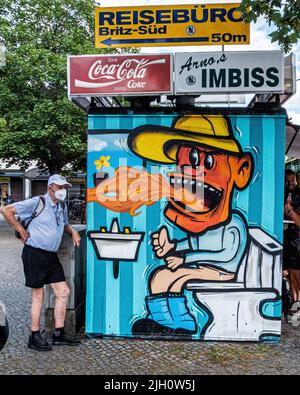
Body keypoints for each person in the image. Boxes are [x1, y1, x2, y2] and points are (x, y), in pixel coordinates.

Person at [0, 174, 81, 351]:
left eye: (65, 188)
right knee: (39, 295)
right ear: (51, 187)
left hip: (51, 256)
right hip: (34, 253)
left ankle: (59, 334)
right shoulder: (38, 202)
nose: (63, 191)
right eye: (60, 187)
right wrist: (21, 230)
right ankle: (34, 336)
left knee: (63, 292)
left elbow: (65, 224)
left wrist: (73, 232)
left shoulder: (62, 206)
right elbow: (6, 210)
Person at [283, 169, 300, 305]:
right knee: (289, 273)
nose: (290, 183)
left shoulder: (299, 194)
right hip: (286, 238)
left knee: (295, 274)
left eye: (292, 180)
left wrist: (290, 212)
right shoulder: (280, 192)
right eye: (287, 181)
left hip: (297, 239)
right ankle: (294, 304)